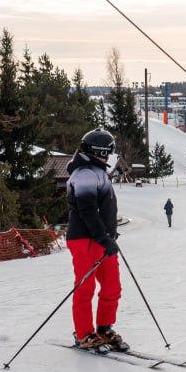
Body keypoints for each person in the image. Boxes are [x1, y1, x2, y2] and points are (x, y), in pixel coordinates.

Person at [66, 128, 128, 352]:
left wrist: (109, 235)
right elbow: (88, 212)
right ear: (100, 151)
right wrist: (104, 237)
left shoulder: (98, 172)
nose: (109, 157)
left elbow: (106, 211)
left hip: (102, 240)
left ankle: (103, 328)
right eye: (108, 152)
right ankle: (84, 334)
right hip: (84, 239)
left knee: (112, 286)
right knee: (86, 287)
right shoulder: (84, 174)